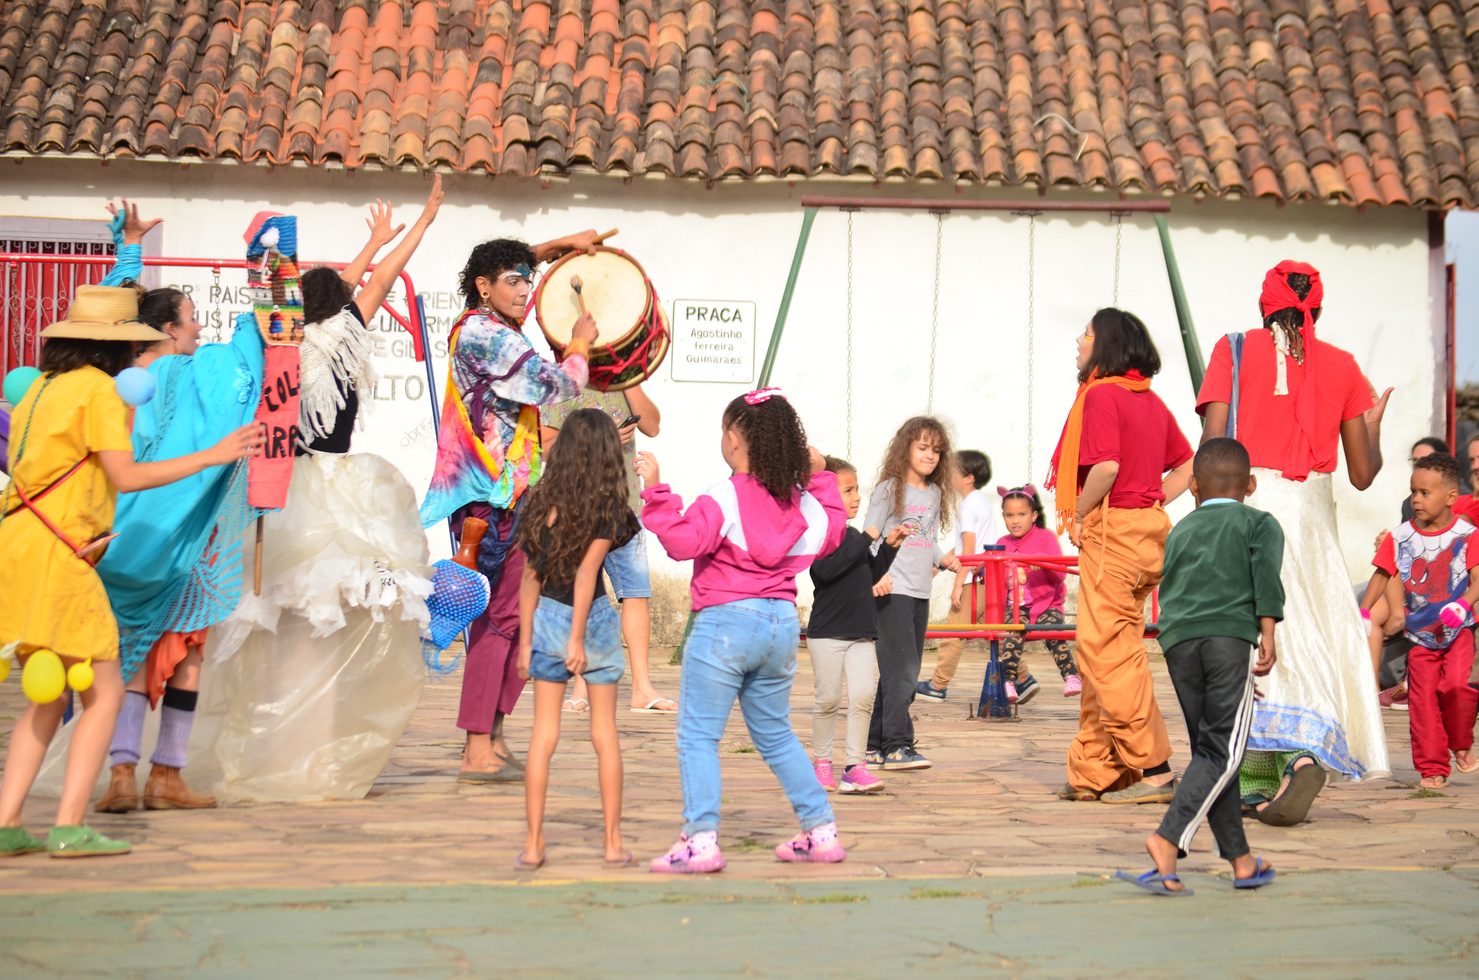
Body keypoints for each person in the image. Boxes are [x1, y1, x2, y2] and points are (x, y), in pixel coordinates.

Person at [0, 285, 259, 858]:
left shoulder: (41, 388)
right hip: (61, 556)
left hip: (21, 548)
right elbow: (127, 476)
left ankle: (8, 822)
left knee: (44, 698)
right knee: (106, 692)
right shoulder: (99, 391)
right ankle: (68, 827)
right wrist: (212, 455)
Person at [209, 182, 444, 802]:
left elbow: (343, 286)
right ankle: (315, 751)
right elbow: (383, 280)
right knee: (334, 624)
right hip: (340, 492)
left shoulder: (282, 348)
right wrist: (422, 221)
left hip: (280, 490)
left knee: (278, 623)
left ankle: (271, 743)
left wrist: (369, 243)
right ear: (338, 306)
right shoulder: (345, 337)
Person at [1198, 260, 1391, 826]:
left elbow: (1213, 445)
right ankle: (1277, 772)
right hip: (1311, 517)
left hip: (1248, 502)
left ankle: (1283, 762)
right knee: (1310, 632)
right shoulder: (1343, 367)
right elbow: (1361, 473)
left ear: (1264, 305)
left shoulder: (1231, 353)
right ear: (1318, 308)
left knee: (1251, 630)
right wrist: (1373, 426)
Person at [419, 226, 607, 782]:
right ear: (482, 287)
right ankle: (478, 740)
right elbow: (558, 386)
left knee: (513, 618)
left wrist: (561, 246)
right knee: (497, 621)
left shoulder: (496, 325)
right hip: (489, 499)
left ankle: (492, 733)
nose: (526, 290)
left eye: (529, 280)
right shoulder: (484, 333)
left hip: (517, 492)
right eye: (513, 282)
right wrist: (578, 344)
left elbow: (514, 269)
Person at [638, 389, 846, 873]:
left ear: (733, 439)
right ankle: (821, 831)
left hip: (725, 623)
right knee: (775, 734)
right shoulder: (804, 503)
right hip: (779, 624)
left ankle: (700, 841)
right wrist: (822, 477)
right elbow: (833, 531)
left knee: (697, 736)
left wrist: (656, 492)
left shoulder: (724, 495)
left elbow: (684, 542)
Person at [1120, 438, 1282, 895]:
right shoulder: (1260, 523)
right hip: (1228, 639)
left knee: (1212, 755)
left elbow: (1169, 585)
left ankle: (1242, 860)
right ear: (1250, 485)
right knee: (1224, 752)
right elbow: (1265, 580)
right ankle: (1167, 840)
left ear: (1193, 486)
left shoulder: (1182, 529)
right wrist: (1267, 636)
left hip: (1179, 642)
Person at [1045, 308, 1193, 804]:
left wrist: (1082, 515)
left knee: (1104, 654)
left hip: (1115, 534)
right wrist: (1153, 500)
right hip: (1148, 532)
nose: (1078, 342)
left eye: (1085, 335)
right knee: (1110, 651)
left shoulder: (1104, 394)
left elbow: (1105, 467)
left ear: (1105, 345)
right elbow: (1188, 464)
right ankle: (1098, 770)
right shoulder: (1148, 399)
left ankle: (1154, 768)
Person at [514, 409, 638, 868]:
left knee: (543, 735)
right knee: (604, 735)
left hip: (544, 617)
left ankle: (533, 844)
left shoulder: (542, 500)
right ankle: (610, 843)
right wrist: (577, 640)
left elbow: (530, 577)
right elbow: (588, 573)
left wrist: (526, 642)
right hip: (594, 623)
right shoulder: (607, 506)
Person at [539, 382, 673, 715]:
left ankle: (642, 687)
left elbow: (653, 425)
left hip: (625, 505)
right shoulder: (563, 385)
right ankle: (581, 684)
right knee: (584, 594)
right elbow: (545, 448)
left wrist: (632, 382)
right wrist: (601, 436)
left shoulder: (626, 385)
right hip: (579, 511)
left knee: (637, 594)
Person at [1360, 453, 1479, 789]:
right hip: (1420, 637)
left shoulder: (1467, 535)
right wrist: (1364, 612)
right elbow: (1382, 575)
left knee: (1455, 687)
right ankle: (1432, 769)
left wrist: (1464, 604)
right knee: (1422, 702)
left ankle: (1461, 743)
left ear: (1451, 497)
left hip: (1458, 631)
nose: (1416, 499)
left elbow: (1477, 579)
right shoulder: (1400, 538)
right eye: (1413, 491)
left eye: (1425, 493)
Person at [863, 416, 960, 771]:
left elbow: (928, 539)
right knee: (903, 671)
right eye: (923, 448)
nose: (930, 456)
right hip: (891, 588)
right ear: (906, 448)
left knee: (896, 670)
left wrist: (944, 560)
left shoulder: (934, 493)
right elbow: (870, 534)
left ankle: (872, 746)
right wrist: (871, 578)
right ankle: (897, 745)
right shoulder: (889, 489)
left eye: (936, 451)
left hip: (920, 591)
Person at [806, 456, 904, 794]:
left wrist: (887, 549)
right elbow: (826, 572)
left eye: (856, 489)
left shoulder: (853, 536)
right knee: (828, 699)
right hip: (827, 634)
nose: (856, 497)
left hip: (862, 631)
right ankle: (821, 762)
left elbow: (869, 576)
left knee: (862, 697)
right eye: (848, 490)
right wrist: (865, 539)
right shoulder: (820, 535)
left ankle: (855, 766)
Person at [917, 449, 997, 701]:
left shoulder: (967, 505)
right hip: (987, 577)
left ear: (969, 477)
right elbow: (964, 546)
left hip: (974, 579)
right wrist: (939, 565)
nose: (948, 473)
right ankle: (1023, 677)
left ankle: (938, 685)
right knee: (996, 631)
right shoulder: (980, 501)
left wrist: (958, 584)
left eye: (953, 469)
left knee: (953, 632)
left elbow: (970, 550)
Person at [994, 485, 1079, 705]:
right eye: (1009, 515)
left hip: (1047, 604)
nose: (1015, 520)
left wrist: (1038, 562)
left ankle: (1071, 675)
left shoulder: (1046, 538)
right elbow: (998, 576)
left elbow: (1059, 575)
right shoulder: (1003, 543)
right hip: (1017, 606)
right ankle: (1011, 682)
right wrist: (1009, 578)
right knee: (1011, 636)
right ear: (1003, 516)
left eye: (1021, 514)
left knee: (1054, 633)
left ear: (1034, 516)